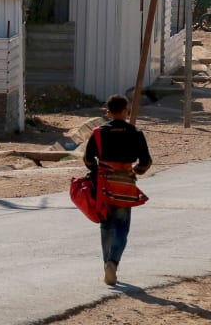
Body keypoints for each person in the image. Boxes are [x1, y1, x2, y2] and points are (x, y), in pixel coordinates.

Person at [83, 94, 152, 287]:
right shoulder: (135, 132)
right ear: (125, 111)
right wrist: (134, 171)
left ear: (108, 112)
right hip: (125, 186)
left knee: (106, 225)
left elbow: (88, 160)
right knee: (122, 227)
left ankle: (107, 263)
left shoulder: (98, 132)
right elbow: (145, 162)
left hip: (103, 185)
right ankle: (113, 262)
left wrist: (98, 171)